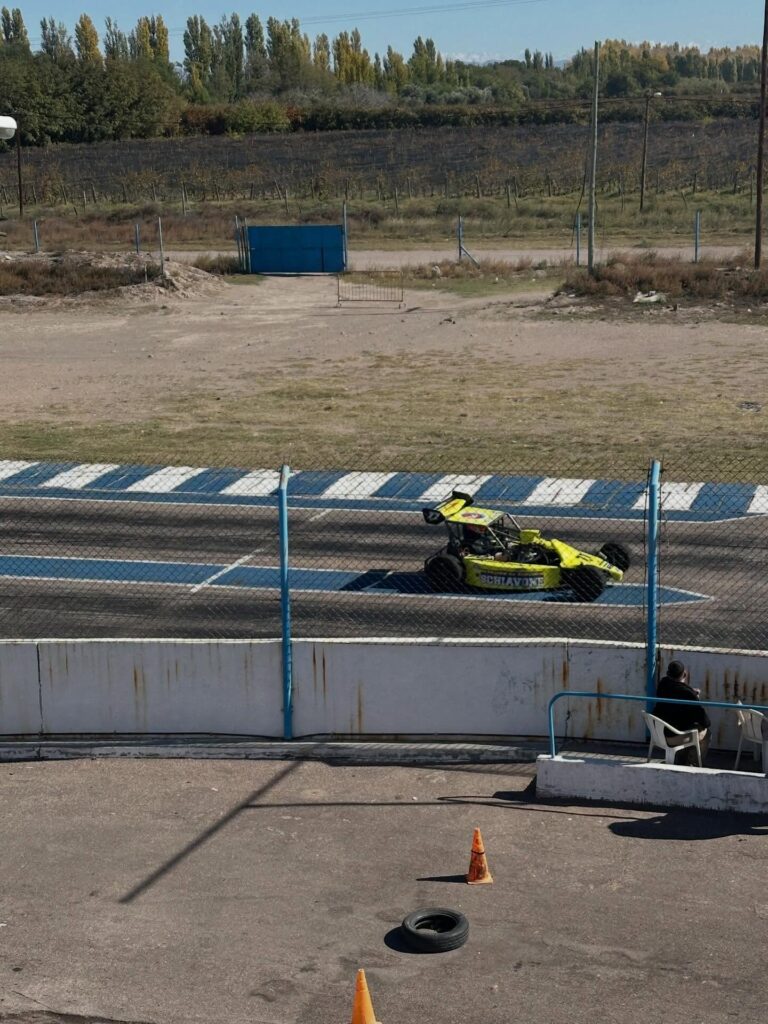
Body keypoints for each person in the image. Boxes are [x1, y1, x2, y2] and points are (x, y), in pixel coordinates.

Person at [652, 660, 711, 766]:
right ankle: (693, 765)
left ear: (668, 674)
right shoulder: (688, 694)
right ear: (685, 674)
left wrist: (690, 692)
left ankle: (680, 761)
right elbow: (705, 721)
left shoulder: (663, 684)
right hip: (672, 737)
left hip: (658, 733)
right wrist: (694, 697)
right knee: (705, 732)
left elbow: (675, 689)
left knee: (688, 728)